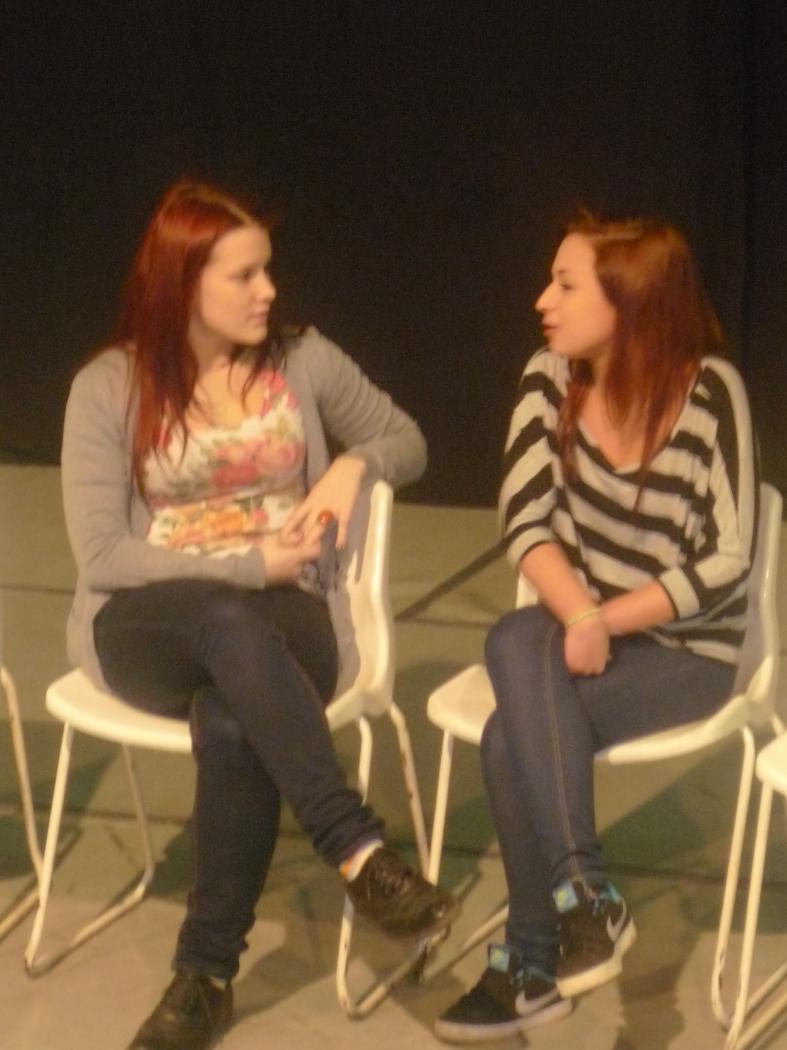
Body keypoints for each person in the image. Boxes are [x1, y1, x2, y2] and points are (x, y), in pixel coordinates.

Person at [61, 180, 458, 1050]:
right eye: (243, 275)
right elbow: (104, 555)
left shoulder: (302, 360)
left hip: (291, 614)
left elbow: (407, 440)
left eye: (267, 270)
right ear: (182, 282)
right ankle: (356, 849)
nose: (267, 290)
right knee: (220, 613)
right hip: (151, 621)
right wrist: (245, 566)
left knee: (234, 716)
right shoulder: (108, 385)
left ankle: (204, 977)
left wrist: (352, 466)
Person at [435, 214, 758, 1043]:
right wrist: (580, 613)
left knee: (508, 734)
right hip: (577, 629)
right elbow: (524, 518)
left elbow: (729, 557)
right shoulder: (549, 378)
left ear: (630, 300)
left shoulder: (710, 392)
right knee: (512, 637)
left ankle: (530, 960)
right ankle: (585, 897)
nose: (542, 300)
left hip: (686, 648)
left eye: (565, 284)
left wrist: (602, 618)